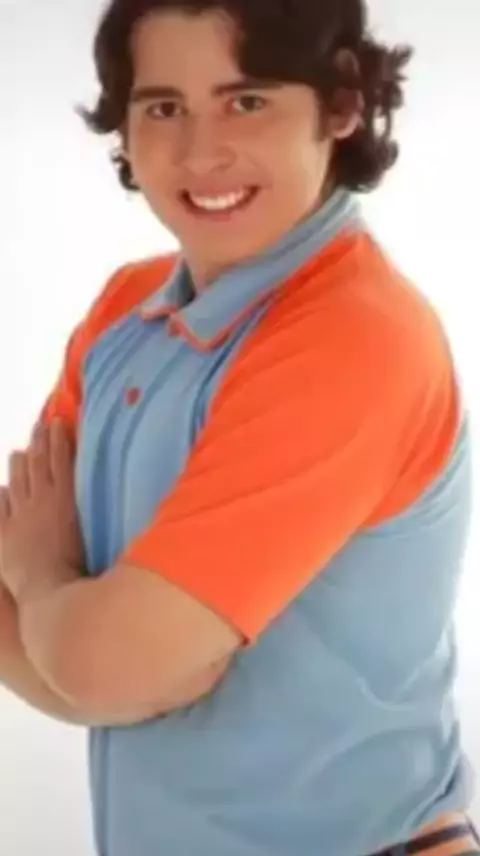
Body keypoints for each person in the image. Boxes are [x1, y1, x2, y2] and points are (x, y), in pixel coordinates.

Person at [0, 1, 477, 854]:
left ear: (341, 104)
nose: (201, 152)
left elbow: (102, 663)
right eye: (164, 107)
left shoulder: (352, 339)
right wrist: (89, 641)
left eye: (247, 101)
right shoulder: (123, 310)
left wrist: (43, 577)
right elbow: (86, 669)